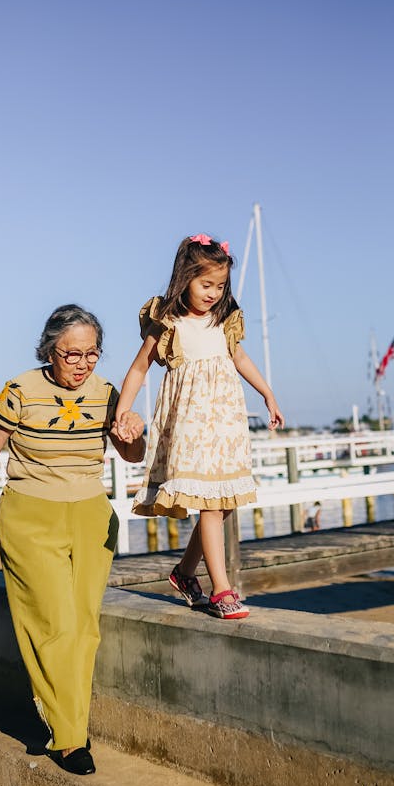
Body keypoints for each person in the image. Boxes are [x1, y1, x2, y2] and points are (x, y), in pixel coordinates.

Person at [0, 305, 145, 776]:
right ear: (49, 350)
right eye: (71, 354)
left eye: (91, 353)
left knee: (83, 628)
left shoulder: (107, 394)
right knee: (53, 624)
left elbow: (132, 454)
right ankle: (69, 737)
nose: (82, 364)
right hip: (30, 515)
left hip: (92, 517)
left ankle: (68, 722)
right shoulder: (20, 391)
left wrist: (135, 433)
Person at [115, 234, 284, 619]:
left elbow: (240, 359)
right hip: (190, 421)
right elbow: (140, 368)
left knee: (222, 503)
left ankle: (184, 573)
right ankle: (221, 589)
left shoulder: (224, 320)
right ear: (184, 278)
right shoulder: (168, 322)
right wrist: (123, 412)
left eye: (220, 286)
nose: (213, 293)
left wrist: (268, 395)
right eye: (206, 284)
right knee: (211, 503)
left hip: (224, 422)